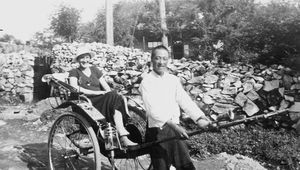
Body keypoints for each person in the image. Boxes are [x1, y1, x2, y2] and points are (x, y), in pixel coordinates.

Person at [139, 45, 212, 170]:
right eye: (157, 58)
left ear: (169, 60)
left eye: (164, 59)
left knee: (184, 164)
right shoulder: (147, 81)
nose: (161, 62)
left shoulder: (172, 80)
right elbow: (153, 111)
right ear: (152, 60)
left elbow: (185, 101)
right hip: (157, 131)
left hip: (173, 130)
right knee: (163, 167)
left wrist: (199, 118)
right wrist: (175, 126)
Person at [69, 47, 137, 147]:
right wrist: (96, 93)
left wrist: (108, 93)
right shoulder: (74, 72)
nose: (85, 60)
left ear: (90, 58)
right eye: (82, 58)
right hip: (87, 102)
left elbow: (106, 87)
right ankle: (122, 136)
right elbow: (74, 88)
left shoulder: (95, 70)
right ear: (78, 60)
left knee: (115, 96)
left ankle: (121, 134)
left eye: (87, 57)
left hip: (101, 98)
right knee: (113, 96)